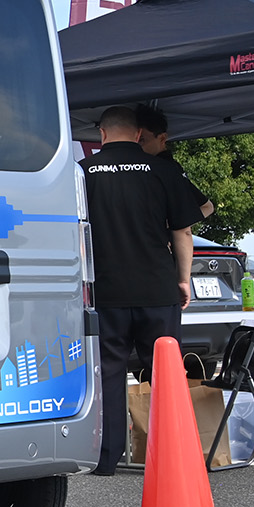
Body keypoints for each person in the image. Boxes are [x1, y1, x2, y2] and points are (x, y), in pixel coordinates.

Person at [81, 105, 206, 475]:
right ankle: (173, 459)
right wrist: (183, 279)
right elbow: (183, 230)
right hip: (157, 288)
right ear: (138, 134)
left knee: (108, 374)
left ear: (101, 135)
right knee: (165, 375)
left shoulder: (82, 173)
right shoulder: (164, 170)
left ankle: (106, 458)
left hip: (105, 292)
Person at [134, 103, 215, 219]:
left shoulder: (168, 168)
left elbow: (206, 207)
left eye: (141, 140)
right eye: (133, 140)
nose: (136, 146)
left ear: (162, 138)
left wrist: (170, 227)